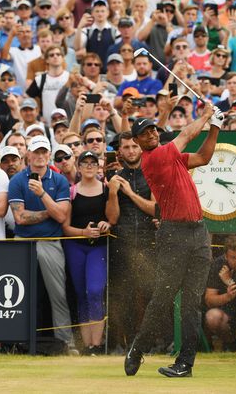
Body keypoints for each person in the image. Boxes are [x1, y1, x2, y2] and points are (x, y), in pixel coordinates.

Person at [125, 100, 222, 378]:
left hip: (198, 233)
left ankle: (185, 364)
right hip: (174, 234)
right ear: (138, 141)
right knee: (163, 297)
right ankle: (138, 348)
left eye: (154, 130)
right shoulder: (154, 158)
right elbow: (186, 135)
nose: (152, 134)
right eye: (145, 133)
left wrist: (215, 127)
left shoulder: (170, 155)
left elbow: (203, 158)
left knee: (192, 302)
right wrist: (206, 115)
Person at [8, 135, 75, 352]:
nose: (39, 156)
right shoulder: (18, 180)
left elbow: (63, 218)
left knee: (58, 293)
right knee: (18, 293)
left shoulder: (59, 181)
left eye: (43, 152)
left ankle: (66, 341)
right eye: (35, 152)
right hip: (23, 242)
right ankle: (16, 339)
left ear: (48, 155)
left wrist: (42, 194)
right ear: (28, 154)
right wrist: (51, 211)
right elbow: (20, 218)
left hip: (50, 241)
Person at [105, 132, 157, 352]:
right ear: (120, 151)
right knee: (122, 297)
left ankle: (152, 342)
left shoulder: (152, 173)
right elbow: (112, 218)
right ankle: (123, 344)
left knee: (150, 294)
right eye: (126, 147)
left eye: (134, 146)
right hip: (123, 243)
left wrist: (129, 193)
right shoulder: (115, 177)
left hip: (149, 242)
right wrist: (114, 193)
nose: (131, 151)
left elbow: (155, 208)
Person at [61, 150, 110, 355]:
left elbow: (113, 217)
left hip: (98, 247)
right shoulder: (72, 191)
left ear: (99, 166)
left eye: (93, 162)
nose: (89, 166)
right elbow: (65, 227)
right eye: (85, 163)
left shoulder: (107, 190)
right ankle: (87, 344)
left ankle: (97, 345)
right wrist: (83, 232)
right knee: (81, 294)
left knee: (95, 291)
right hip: (76, 246)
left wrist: (107, 224)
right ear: (78, 167)